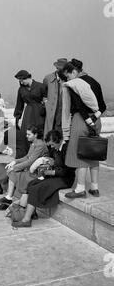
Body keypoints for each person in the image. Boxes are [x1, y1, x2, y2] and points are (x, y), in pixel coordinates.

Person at [11, 130, 76, 227]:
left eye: (53, 144)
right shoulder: (55, 149)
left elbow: (67, 171)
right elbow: (54, 162)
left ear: (59, 140)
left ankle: (26, 220)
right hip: (55, 175)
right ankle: (32, 212)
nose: (52, 147)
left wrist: (50, 172)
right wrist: (49, 162)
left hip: (65, 179)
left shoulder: (67, 149)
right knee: (32, 184)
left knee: (36, 188)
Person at [62, 60, 105, 198]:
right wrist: (93, 120)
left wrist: (86, 120)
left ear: (74, 72)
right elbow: (102, 105)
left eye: (68, 76)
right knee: (93, 152)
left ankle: (80, 189)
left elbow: (79, 106)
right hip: (97, 121)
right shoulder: (95, 82)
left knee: (79, 154)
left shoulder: (74, 84)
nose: (67, 79)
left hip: (81, 120)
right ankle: (94, 187)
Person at [0, 125, 49, 211]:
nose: (26, 136)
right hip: (31, 169)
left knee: (15, 173)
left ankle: (11, 200)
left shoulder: (40, 145)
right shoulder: (33, 143)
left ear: (36, 135)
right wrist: (15, 161)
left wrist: (15, 167)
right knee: (11, 171)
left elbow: (30, 161)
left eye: (29, 134)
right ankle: (9, 198)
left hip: (38, 173)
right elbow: (27, 157)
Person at [14, 70, 47, 158]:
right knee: (26, 134)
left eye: (22, 80)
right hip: (28, 112)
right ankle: (27, 157)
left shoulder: (41, 86)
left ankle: (40, 155)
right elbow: (19, 104)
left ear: (28, 77)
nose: (21, 82)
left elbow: (47, 100)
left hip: (40, 112)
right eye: (19, 80)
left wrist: (44, 109)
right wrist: (17, 118)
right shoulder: (21, 89)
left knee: (39, 132)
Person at [43, 58, 68, 136]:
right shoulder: (48, 78)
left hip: (63, 111)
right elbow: (44, 93)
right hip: (50, 111)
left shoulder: (68, 78)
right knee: (50, 133)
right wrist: (46, 103)